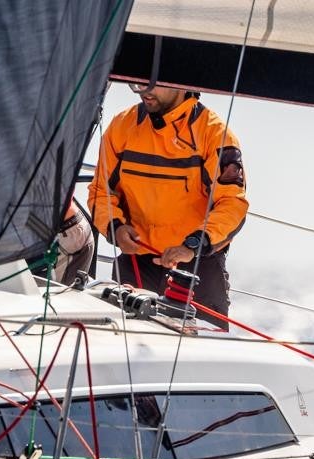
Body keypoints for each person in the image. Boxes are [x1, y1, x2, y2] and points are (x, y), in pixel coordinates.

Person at [88, 82, 248, 329]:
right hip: (137, 265)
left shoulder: (215, 133)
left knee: (199, 359)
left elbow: (232, 204)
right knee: (126, 349)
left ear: (181, 83)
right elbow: (101, 193)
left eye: (152, 84)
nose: (144, 91)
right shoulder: (122, 126)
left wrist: (193, 245)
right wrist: (115, 228)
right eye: (137, 84)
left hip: (196, 269)